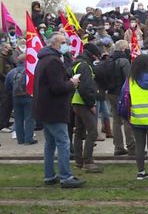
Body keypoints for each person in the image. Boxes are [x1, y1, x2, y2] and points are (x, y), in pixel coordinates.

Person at [33, 33, 85, 188]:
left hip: (44, 108)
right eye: (63, 42)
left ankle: (49, 176)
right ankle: (65, 177)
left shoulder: (44, 60)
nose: (66, 45)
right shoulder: (53, 61)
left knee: (50, 144)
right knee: (63, 142)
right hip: (54, 109)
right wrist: (72, 83)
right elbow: (57, 87)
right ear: (54, 44)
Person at [71, 43, 103, 173]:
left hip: (76, 101)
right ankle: (88, 161)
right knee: (92, 132)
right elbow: (86, 87)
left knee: (79, 131)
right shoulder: (86, 66)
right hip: (83, 103)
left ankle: (78, 161)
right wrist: (91, 104)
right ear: (92, 54)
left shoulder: (77, 64)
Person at [106, 40, 135, 156]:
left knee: (116, 121)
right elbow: (129, 79)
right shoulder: (124, 61)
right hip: (122, 94)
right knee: (127, 119)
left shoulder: (109, 60)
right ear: (123, 49)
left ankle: (118, 147)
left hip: (111, 93)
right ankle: (132, 146)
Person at [4, 54, 36, 144]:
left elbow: (7, 86)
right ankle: (29, 139)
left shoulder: (11, 72)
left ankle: (20, 139)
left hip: (16, 97)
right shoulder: (30, 72)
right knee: (29, 118)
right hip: (29, 97)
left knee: (18, 119)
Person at [0, 42, 15, 132]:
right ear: (4, 48)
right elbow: (1, 73)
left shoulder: (8, 58)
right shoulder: (1, 59)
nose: (10, 49)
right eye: (9, 48)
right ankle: (2, 125)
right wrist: (10, 79)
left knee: (9, 105)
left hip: (8, 86)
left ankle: (5, 121)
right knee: (5, 105)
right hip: (3, 87)